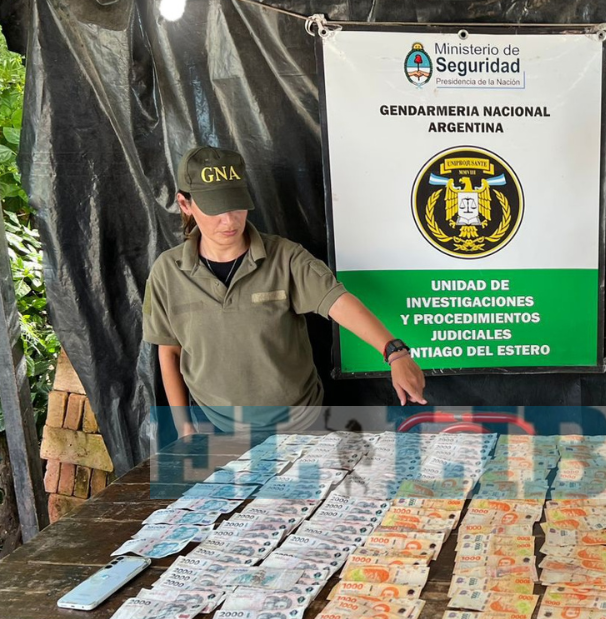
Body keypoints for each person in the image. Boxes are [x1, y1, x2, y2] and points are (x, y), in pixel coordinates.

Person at [142, 146, 426, 437]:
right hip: (216, 429)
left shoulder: (285, 257)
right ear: (185, 204)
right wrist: (185, 429)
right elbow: (170, 350)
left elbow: (337, 301)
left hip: (299, 426)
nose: (229, 220)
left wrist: (394, 352)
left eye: (236, 205)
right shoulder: (167, 272)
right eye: (215, 208)